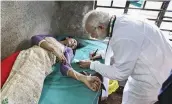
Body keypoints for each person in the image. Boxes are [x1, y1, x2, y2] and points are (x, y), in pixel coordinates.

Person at [79, 10, 172, 104]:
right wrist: (103, 54)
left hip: (156, 74)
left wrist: (93, 65)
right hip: (163, 60)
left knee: (134, 100)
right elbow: (126, 49)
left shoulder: (122, 36)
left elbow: (120, 73)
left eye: (92, 33)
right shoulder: (118, 22)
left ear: (101, 27)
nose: (92, 36)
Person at [31, 35, 101, 92]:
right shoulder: (51, 38)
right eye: (74, 41)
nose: (73, 44)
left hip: (41, 63)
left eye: (74, 46)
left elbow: (65, 68)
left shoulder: (68, 50)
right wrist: (53, 49)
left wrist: (83, 78)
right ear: (68, 37)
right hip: (32, 53)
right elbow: (34, 38)